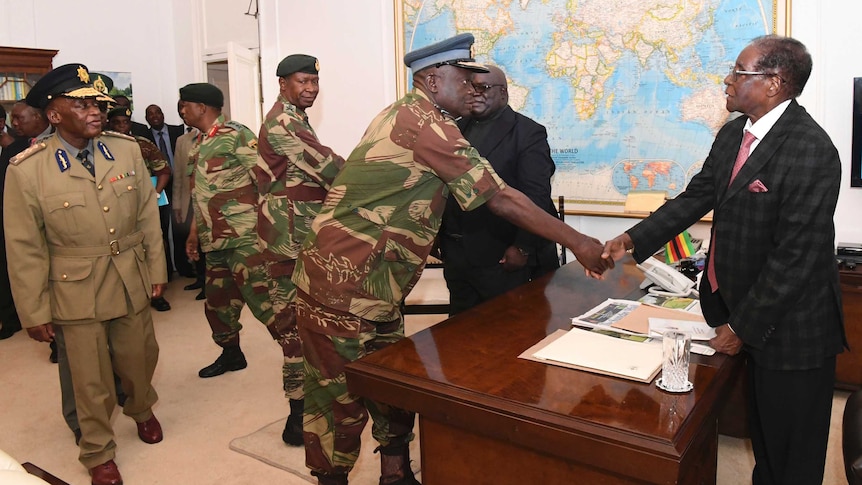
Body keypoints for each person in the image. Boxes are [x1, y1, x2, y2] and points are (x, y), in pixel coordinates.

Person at [291, 33, 609, 485]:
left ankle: (396, 474)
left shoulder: (409, 113)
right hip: (340, 283)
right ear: (433, 79)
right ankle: (331, 478)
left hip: (375, 283)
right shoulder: (425, 125)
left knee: (392, 381)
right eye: (466, 79)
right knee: (336, 397)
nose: (475, 90)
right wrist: (578, 241)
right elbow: (500, 198)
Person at [602, 35, 845, 485]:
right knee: (762, 433)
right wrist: (630, 240)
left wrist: (741, 328)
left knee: (791, 452)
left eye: (738, 72)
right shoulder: (734, 132)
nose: (727, 81)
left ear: (773, 83)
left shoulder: (811, 149)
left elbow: (795, 257)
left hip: (791, 325)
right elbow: (696, 196)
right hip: (738, 304)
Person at [5, 63, 167, 485]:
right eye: (80, 103)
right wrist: (34, 311)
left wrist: (156, 267)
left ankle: (141, 407)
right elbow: (24, 247)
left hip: (129, 273)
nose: (94, 110)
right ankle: (97, 450)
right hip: (74, 285)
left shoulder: (126, 149)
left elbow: (148, 215)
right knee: (88, 375)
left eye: (95, 101)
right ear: (54, 115)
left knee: (140, 357)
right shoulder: (28, 169)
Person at [179, 82, 306, 443]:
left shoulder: (237, 136)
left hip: (245, 241)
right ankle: (231, 354)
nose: (181, 111)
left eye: (185, 105)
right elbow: (199, 195)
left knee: (270, 309)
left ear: (202, 107)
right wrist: (193, 235)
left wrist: (274, 232)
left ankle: (302, 373)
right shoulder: (197, 144)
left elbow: (267, 182)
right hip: (214, 242)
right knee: (218, 306)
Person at [254, 54, 345, 445]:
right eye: (301, 82)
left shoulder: (294, 118)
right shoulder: (283, 122)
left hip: (297, 237)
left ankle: (308, 406)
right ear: (283, 84)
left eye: (314, 82)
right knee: (294, 329)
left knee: (306, 324)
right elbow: (326, 167)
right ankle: (296, 419)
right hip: (287, 243)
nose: (310, 89)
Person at [441, 64, 560, 315]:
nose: (474, 93)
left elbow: (536, 196)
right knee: (456, 335)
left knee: (507, 333)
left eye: (483, 87)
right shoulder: (454, 129)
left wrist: (523, 247)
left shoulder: (528, 133)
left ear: (503, 93)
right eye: (469, 86)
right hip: (458, 257)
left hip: (502, 258)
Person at [107, 106, 172, 312]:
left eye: (125, 122)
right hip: (117, 208)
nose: (121, 127)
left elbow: (163, 170)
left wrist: (155, 194)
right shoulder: (102, 147)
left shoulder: (142, 144)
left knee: (153, 244)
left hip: (144, 205)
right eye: (117, 123)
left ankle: (157, 293)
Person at [144, 104, 191, 279]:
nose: (155, 116)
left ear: (163, 115)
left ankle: (184, 267)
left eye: (158, 112)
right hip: (158, 187)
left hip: (180, 184)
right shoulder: (144, 137)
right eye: (150, 114)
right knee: (160, 229)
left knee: (181, 226)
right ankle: (166, 272)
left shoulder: (178, 131)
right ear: (146, 119)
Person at [172, 100, 205, 300]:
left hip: (208, 201)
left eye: (186, 108)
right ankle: (200, 279)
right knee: (195, 244)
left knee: (209, 245)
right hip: (188, 200)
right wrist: (177, 205)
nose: (183, 113)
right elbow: (178, 175)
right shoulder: (182, 141)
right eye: (180, 110)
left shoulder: (214, 137)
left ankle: (211, 284)